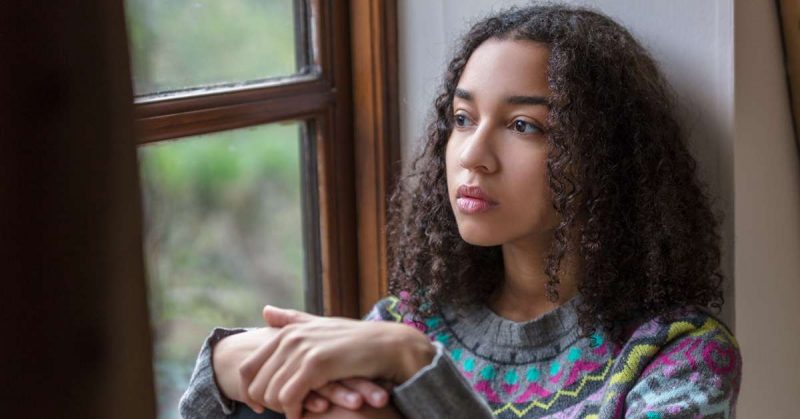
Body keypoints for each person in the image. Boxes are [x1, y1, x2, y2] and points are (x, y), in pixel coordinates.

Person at [179, 4, 742, 419]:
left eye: (524, 126)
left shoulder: (680, 357)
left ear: (606, 155)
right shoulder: (408, 323)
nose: (472, 155)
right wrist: (230, 360)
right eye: (463, 118)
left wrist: (416, 370)